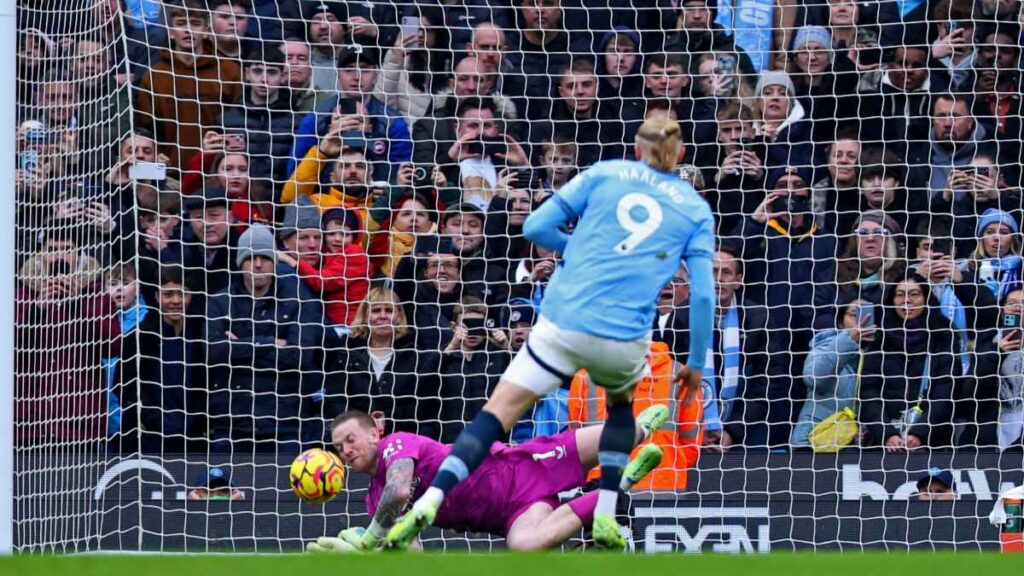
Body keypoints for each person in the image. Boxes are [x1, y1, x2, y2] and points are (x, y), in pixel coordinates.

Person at [386, 116, 715, 551]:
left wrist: (578, 249)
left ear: (637, 149)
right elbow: (706, 297)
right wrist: (693, 364)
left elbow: (534, 228)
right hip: (622, 332)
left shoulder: (605, 174)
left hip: (564, 318)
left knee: (495, 415)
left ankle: (432, 497)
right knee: (619, 416)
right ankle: (605, 511)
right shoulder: (694, 208)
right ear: (682, 154)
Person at [309, 407, 667, 553]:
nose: (345, 451)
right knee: (523, 546)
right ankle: (614, 487)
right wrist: (372, 556)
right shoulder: (375, 501)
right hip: (511, 514)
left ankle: (644, 427)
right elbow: (411, 550)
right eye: (339, 447)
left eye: (350, 440)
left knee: (624, 436)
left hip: (520, 467)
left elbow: (400, 489)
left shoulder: (396, 446)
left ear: (375, 432)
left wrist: (369, 538)